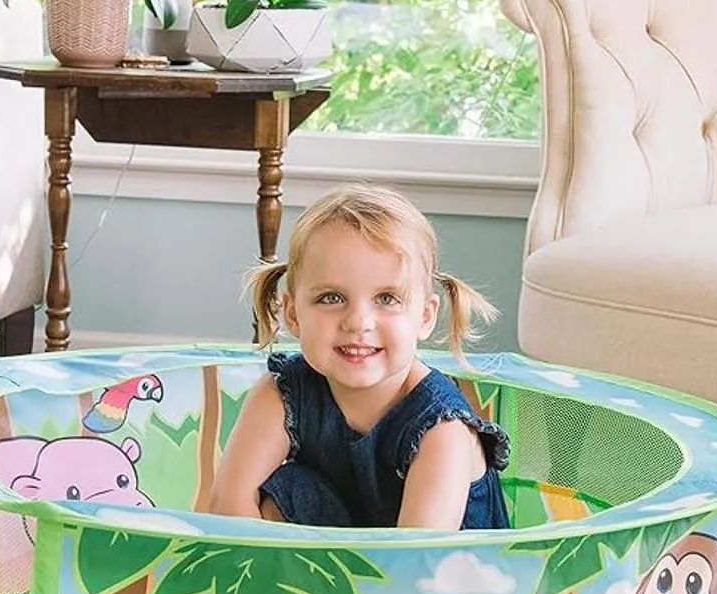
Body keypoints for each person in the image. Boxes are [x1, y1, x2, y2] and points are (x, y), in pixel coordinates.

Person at [209, 184, 511, 530]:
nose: (357, 322)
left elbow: (417, 557)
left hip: (438, 562)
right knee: (288, 488)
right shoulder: (284, 394)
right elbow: (226, 508)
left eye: (386, 299)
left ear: (425, 317)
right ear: (292, 314)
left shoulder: (442, 430)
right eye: (331, 298)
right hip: (340, 555)